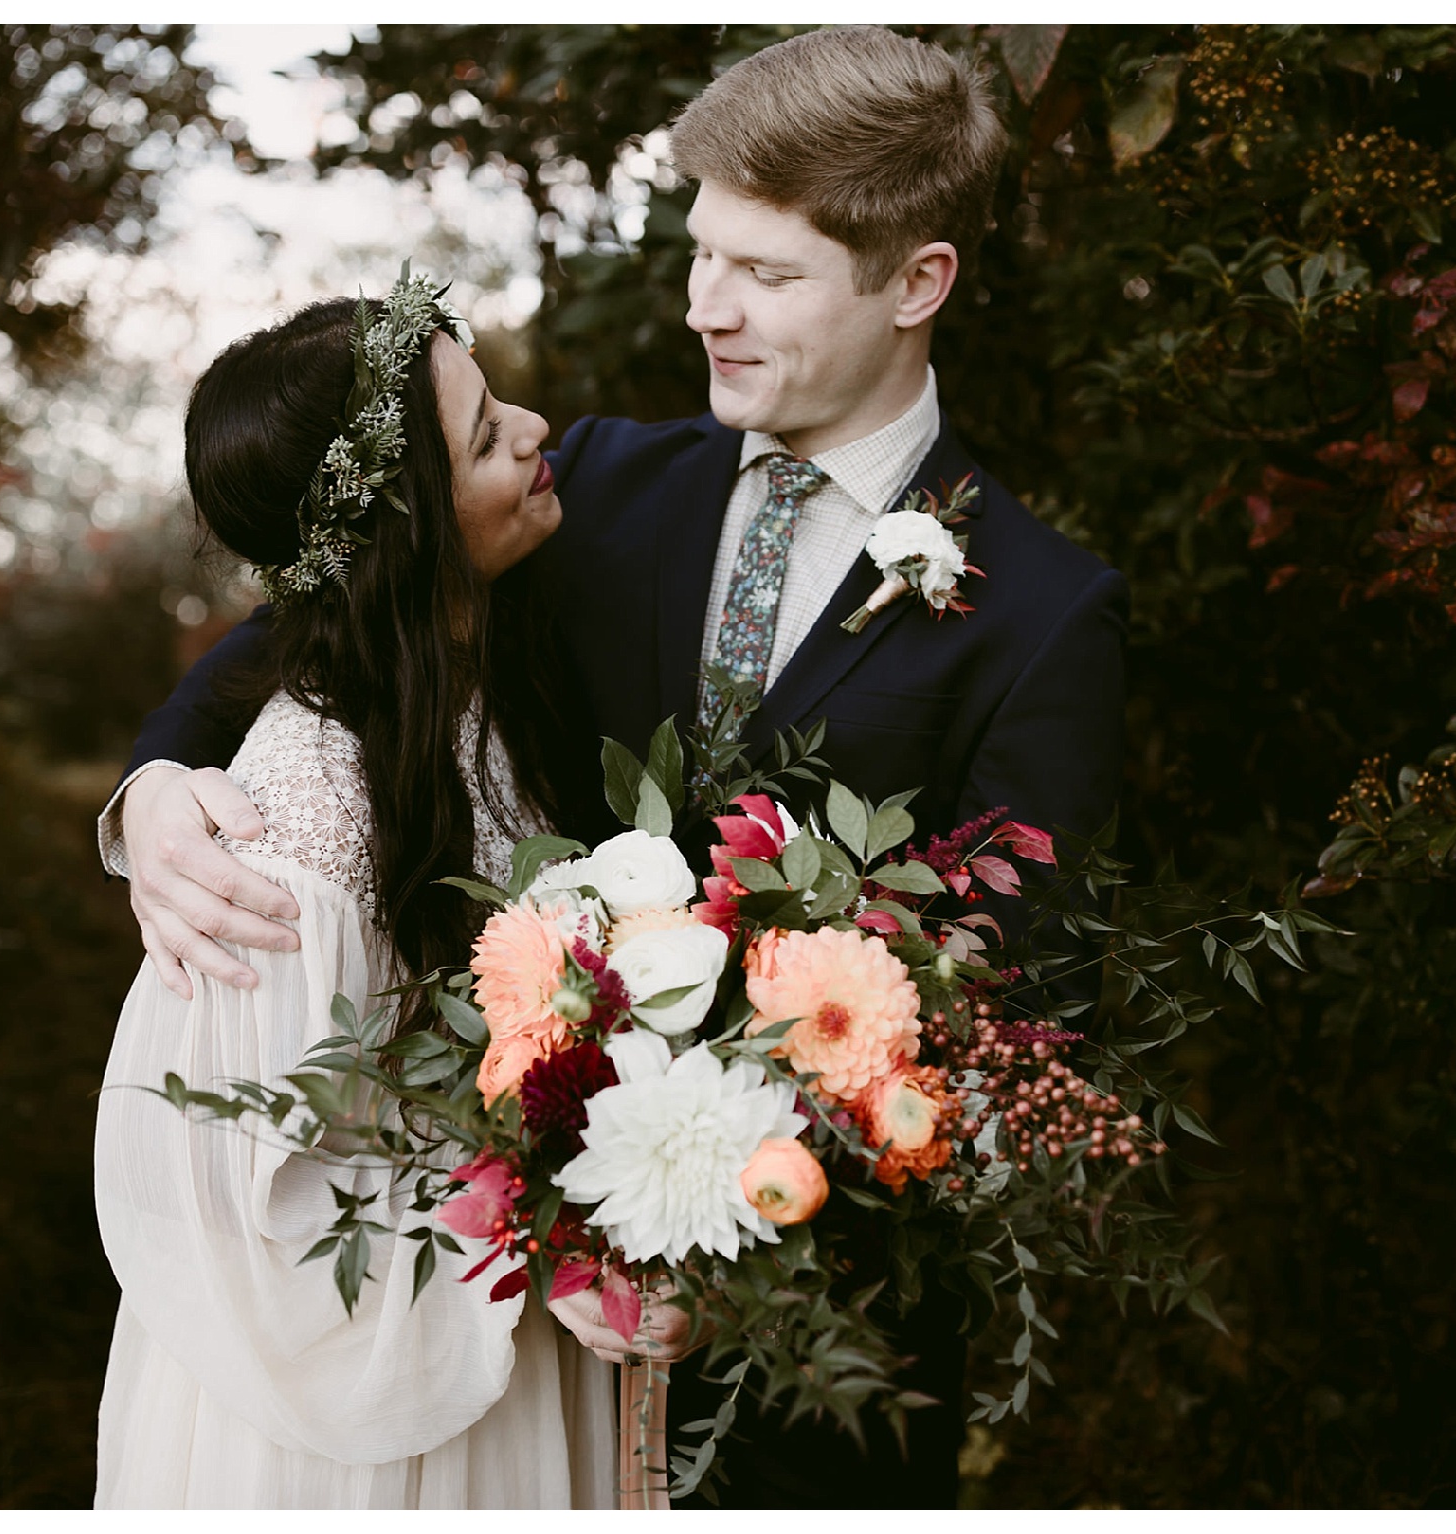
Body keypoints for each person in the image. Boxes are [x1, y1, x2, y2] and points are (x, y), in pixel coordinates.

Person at [100, 28, 1126, 1509]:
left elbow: (1022, 1008)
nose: (706, 307)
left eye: (765, 274)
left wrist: (742, 1217)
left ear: (918, 284)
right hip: (512, 1360)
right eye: (702, 252)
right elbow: (335, 609)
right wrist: (156, 783)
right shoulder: (596, 479)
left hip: (814, 1371)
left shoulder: (1041, 614)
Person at [91, 280, 691, 1510]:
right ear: (406, 528)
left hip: (518, 1352)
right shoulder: (295, 818)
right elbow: (227, 1188)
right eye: (483, 434)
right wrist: (544, 1240)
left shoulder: (477, 694)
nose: (537, 430)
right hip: (368, 1421)